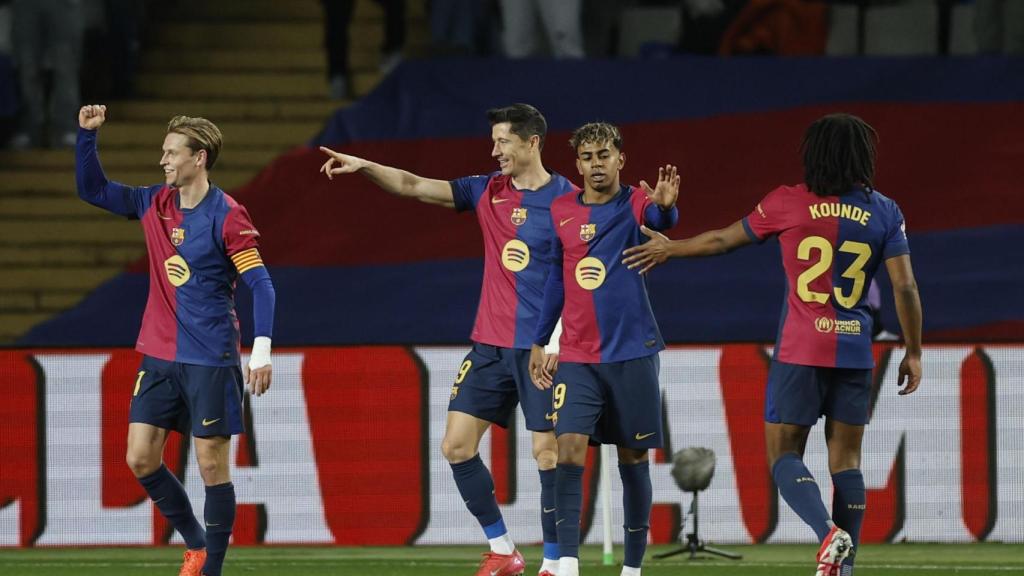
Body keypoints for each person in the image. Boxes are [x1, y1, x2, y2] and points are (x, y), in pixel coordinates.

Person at [622, 113, 923, 576]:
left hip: (801, 351)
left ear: (813, 155)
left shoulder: (787, 203)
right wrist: (914, 350)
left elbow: (724, 240)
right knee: (847, 462)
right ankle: (842, 569)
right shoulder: (885, 211)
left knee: (784, 454)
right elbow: (904, 288)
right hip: (855, 351)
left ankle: (828, 534)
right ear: (862, 156)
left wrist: (671, 247)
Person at [320, 103, 573, 576]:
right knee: (456, 446)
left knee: (548, 454)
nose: (494, 150)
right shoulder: (485, 190)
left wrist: (555, 340)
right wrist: (366, 167)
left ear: (532, 142)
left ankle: (555, 564)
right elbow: (414, 186)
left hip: (541, 348)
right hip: (490, 346)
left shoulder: (568, 201)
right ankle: (504, 551)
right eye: (494, 140)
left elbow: (579, 280)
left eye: (503, 141)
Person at [76, 105, 276, 576]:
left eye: (171, 153)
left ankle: (212, 570)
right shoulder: (153, 203)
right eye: (164, 152)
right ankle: (198, 542)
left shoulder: (227, 216)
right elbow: (94, 190)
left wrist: (261, 353)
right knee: (140, 457)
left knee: (211, 466)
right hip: (159, 355)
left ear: (199, 158)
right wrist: (87, 138)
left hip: (210, 357)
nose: (163, 160)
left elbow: (262, 285)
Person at [529, 122, 679, 576]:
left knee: (633, 458)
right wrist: (540, 339)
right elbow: (556, 279)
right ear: (578, 164)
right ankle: (568, 565)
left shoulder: (635, 202)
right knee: (568, 448)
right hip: (577, 356)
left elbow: (658, 220)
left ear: (620, 159)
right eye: (588, 157)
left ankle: (632, 569)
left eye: (604, 155)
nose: (597, 164)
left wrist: (667, 212)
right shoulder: (560, 210)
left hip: (632, 353)